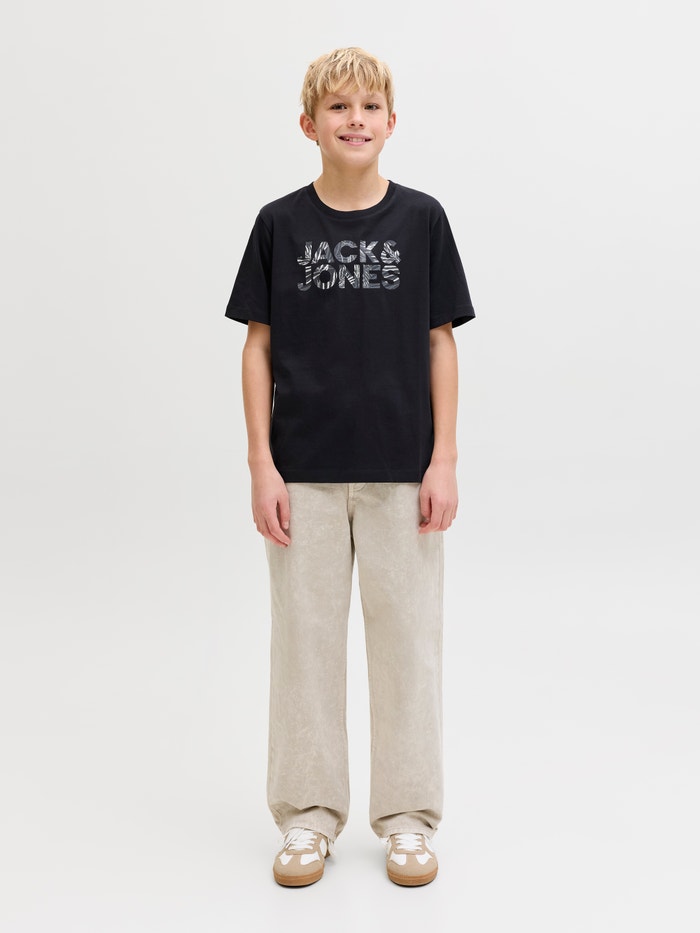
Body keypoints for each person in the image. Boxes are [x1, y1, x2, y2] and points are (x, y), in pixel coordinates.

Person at [225, 46, 475, 887]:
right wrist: (262, 464)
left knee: (408, 647)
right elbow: (257, 347)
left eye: (369, 107)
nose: (355, 120)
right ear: (309, 124)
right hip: (303, 473)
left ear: (392, 122)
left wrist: (444, 458)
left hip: (405, 471)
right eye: (338, 107)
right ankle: (307, 816)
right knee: (304, 646)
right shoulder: (279, 224)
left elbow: (440, 342)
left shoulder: (423, 220)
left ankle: (408, 818)